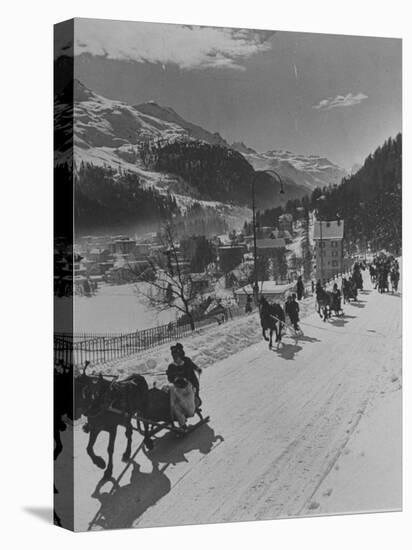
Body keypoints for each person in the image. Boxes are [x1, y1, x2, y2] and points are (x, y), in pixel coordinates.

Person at [167, 343, 202, 408]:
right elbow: (170, 378)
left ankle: (195, 403)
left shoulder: (187, 360)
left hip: (191, 379)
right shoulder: (172, 366)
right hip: (181, 384)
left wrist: (197, 369)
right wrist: (172, 376)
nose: (175, 358)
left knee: (195, 388)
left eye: (176, 356)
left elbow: (193, 365)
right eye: (173, 356)